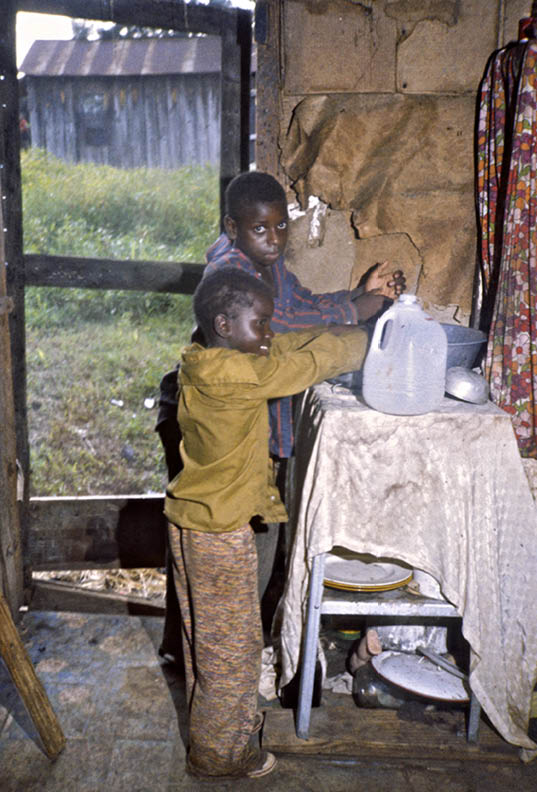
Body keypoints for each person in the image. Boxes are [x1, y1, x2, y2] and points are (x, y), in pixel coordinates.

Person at [156, 171, 405, 663]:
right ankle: (217, 654)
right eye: (260, 230)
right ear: (233, 227)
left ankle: (211, 651)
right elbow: (285, 327)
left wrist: (357, 300)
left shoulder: (268, 265)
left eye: (280, 228)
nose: (274, 239)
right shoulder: (229, 269)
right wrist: (362, 315)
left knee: (232, 543)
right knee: (231, 540)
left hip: (243, 417)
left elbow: (301, 306)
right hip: (212, 420)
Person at [164, 267, 369, 779]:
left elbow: (283, 348)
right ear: (225, 325)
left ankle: (213, 737)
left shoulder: (207, 359)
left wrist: (325, 329)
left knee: (206, 645)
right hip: (220, 535)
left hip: (190, 523)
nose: (269, 333)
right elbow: (305, 366)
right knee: (233, 655)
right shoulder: (239, 376)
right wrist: (364, 338)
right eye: (261, 323)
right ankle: (223, 756)